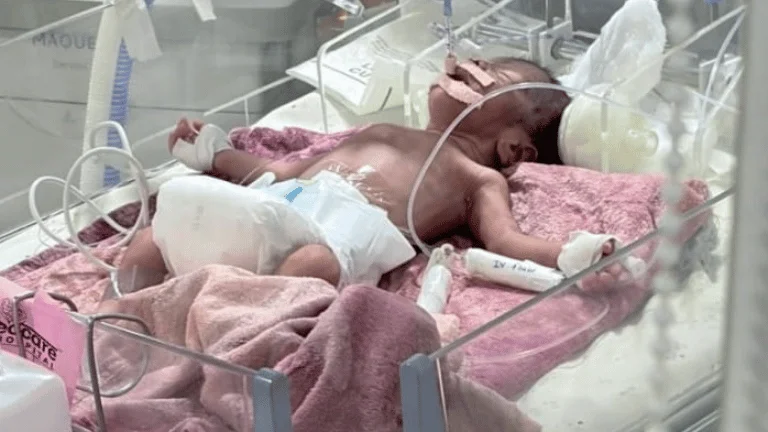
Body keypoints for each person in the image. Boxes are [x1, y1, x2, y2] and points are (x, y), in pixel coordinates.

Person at [118, 56, 622, 292]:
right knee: (152, 240)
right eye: (479, 63)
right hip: (281, 203)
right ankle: (112, 331)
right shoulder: (382, 130)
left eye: (495, 79)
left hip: (339, 236)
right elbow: (279, 170)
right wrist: (216, 153)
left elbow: (506, 241)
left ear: (513, 148)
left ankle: (229, 334)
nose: (471, 70)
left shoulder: (476, 177)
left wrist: (568, 254)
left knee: (312, 264)